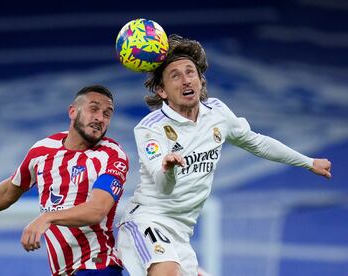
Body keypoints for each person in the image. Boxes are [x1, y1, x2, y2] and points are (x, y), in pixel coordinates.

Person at [116, 34, 332, 276]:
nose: (186, 80)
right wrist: (168, 169)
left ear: (200, 80)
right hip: (147, 219)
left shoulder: (217, 113)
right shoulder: (151, 128)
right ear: (162, 91)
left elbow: (257, 143)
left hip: (182, 231)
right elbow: (162, 185)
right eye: (175, 76)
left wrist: (308, 162)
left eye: (191, 72)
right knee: (166, 272)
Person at [0, 85, 129, 276]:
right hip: (63, 271)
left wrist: (47, 217)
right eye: (94, 109)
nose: (100, 118)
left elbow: (97, 210)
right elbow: (10, 189)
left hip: (97, 266)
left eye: (107, 114)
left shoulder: (112, 155)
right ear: (73, 111)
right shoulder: (43, 150)